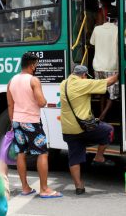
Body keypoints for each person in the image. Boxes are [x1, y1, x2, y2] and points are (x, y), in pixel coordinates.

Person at [7, 52, 62, 198]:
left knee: (21, 153)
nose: (36, 67)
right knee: (42, 153)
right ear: (32, 65)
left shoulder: (12, 81)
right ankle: (44, 189)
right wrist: (44, 100)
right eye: (36, 65)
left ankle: (25, 188)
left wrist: (13, 123)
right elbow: (41, 102)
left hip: (17, 121)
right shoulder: (33, 80)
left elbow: (10, 105)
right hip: (31, 121)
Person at [60, 65, 118, 195]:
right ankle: (98, 157)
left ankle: (79, 186)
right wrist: (121, 71)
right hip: (84, 127)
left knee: (74, 156)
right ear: (84, 75)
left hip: (68, 129)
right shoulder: (83, 83)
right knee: (108, 130)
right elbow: (110, 81)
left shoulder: (63, 83)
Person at [90, 15, 119, 120]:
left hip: (98, 66)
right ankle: (103, 115)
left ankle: (100, 113)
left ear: (105, 19)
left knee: (102, 91)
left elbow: (91, 43)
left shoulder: (97, 29)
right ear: (116, 20)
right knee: (112, 95)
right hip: (112, 66)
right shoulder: (118, 29)